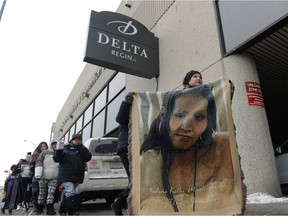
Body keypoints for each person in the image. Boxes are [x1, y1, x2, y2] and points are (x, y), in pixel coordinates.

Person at [139, 85, 239, 212]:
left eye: (199, 117)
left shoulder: (222, 148)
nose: (186, 127)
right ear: (165, 115)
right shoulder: (147, 163)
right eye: (180, 115)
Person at [53, 133, 92, 215]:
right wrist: (58, 151)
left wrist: (81, 147)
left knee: (69, 193)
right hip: (65, 175)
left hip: (77, 175)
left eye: (79, 140)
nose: (78, 141)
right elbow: (56, 159)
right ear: (72, 140)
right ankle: (72, 212)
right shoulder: (65, 148)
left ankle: (62, 210)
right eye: (76, 140)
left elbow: (88, 157)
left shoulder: (82, 149)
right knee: (70, 191)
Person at [111, 92, 133, 215]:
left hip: (136, 148)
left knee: (135, 180)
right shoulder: (126, 114)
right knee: (134, 180)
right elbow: (119, 118)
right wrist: (126, 102)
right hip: (126, 147)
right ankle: (118, 204)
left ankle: (118, 203)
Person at [34, 141, 59, 215]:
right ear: (51, 145)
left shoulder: (60, 153)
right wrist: (38, 174)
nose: (55, 146)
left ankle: (49, 209)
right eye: (54, 144)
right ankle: (39, 208)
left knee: (51, 193)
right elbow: (39, 162)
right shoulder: (44, 152)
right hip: (43, 177)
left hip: (54, 177)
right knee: (42, 193)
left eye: (56, 145)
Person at [31, 141, 48, 211]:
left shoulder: (48, 154)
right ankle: (36, 204)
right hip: (36, 175)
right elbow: (31, 164)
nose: (43, 147)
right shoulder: (35, 155)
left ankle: (42, 205)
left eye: (44, 146)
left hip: (45, 175)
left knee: (43, 191)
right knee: (35, 191)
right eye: (41, 146)